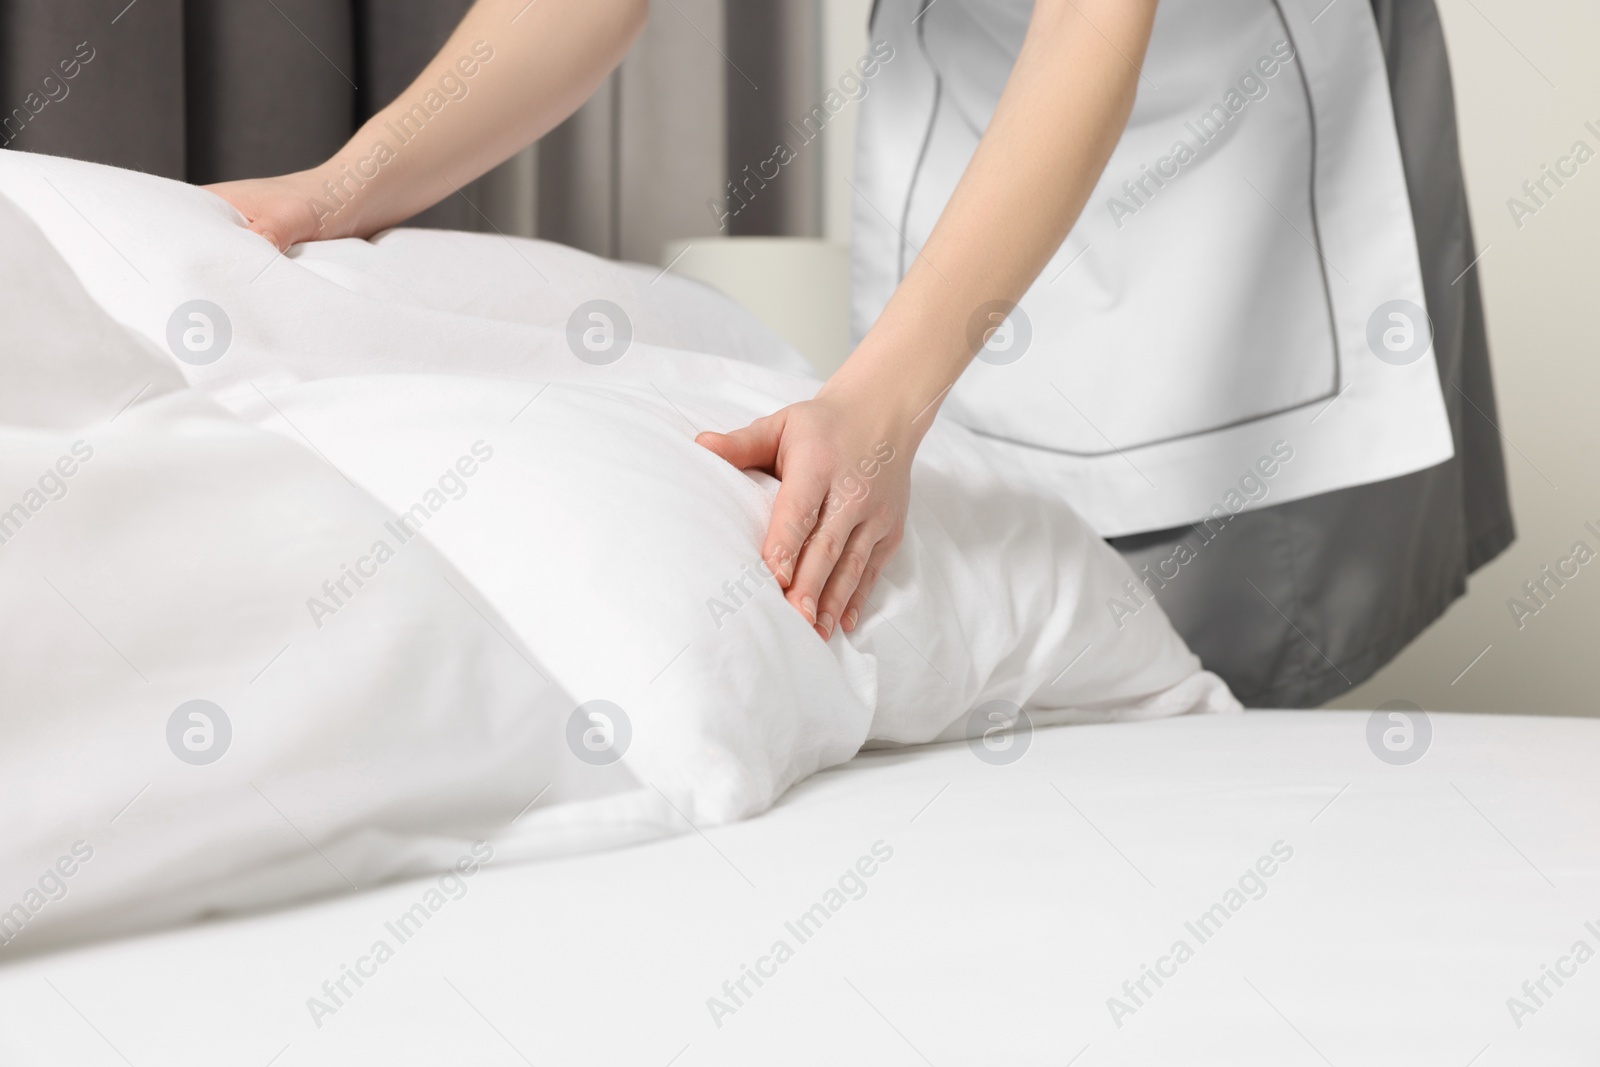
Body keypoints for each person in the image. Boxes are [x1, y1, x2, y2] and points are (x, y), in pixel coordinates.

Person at [210, 0, 1511, 707]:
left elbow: (1090, 24)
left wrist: (886, 406)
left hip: (1237, 152)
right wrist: (343, 186)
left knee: (1197, 709)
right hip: (976, 103)